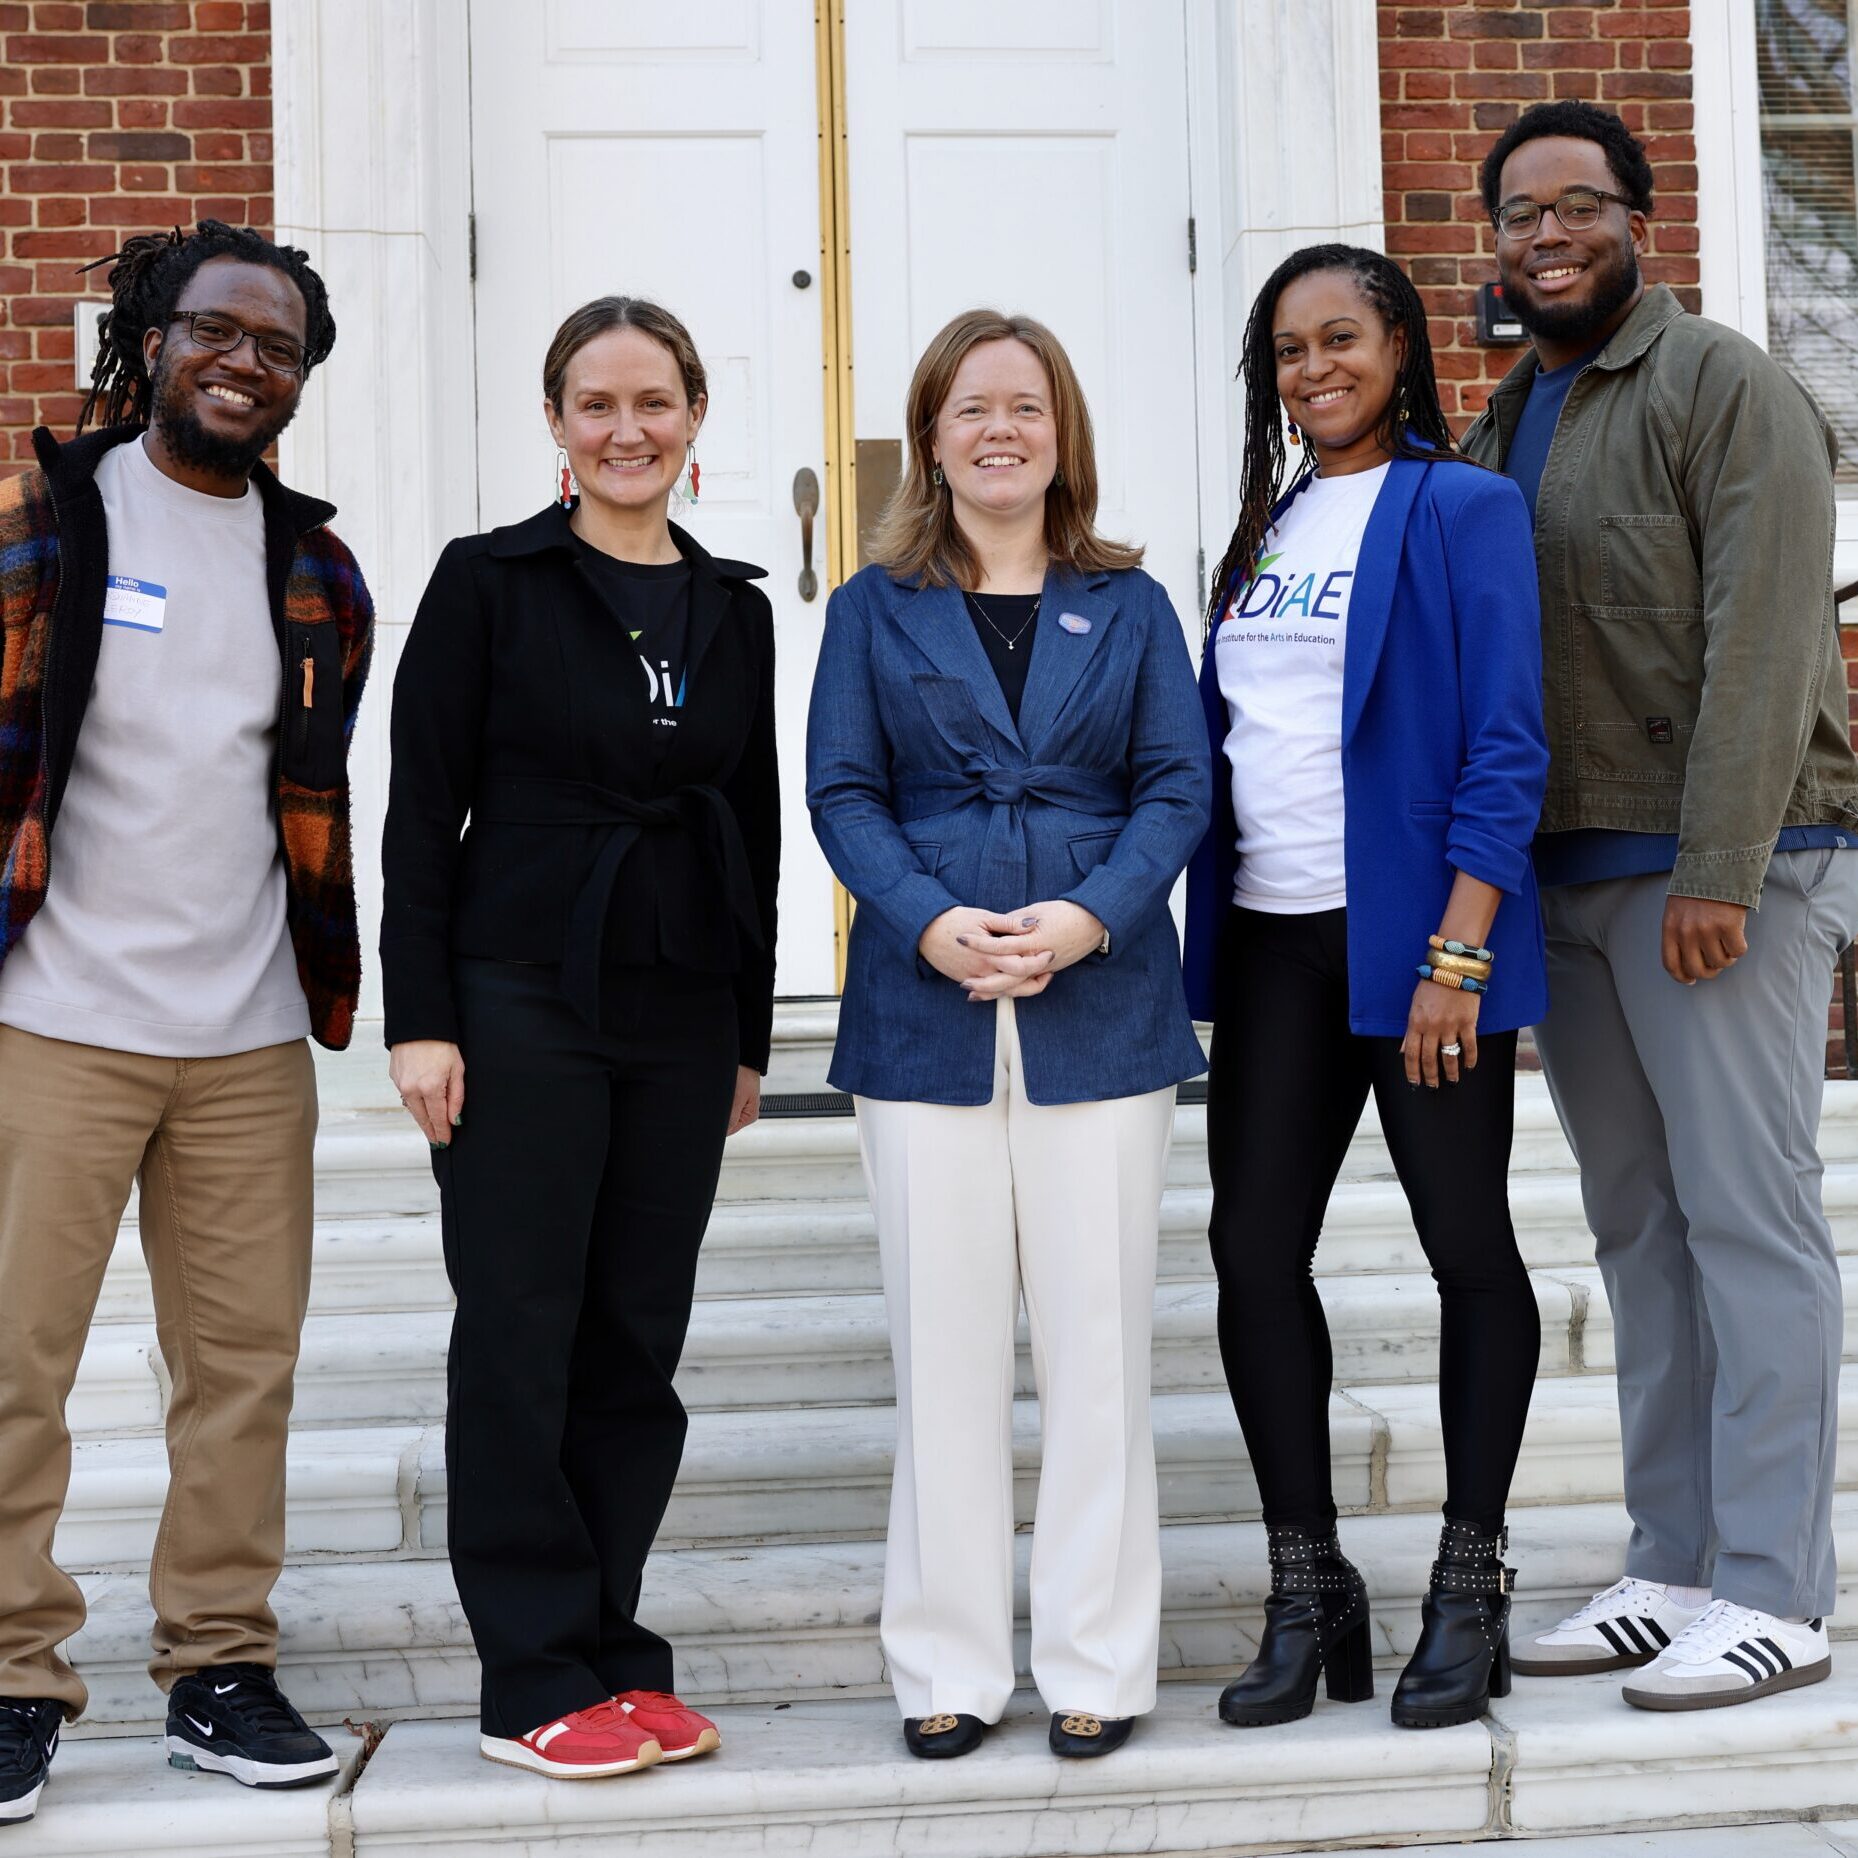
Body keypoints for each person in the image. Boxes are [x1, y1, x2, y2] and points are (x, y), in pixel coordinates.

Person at [1463, 100, 1858, 1712]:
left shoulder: (1723, 386)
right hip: (1567, 879)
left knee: (1746, 1218)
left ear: (1640, 218)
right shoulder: (1504, 418)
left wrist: (1717, 868)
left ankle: (1773, 1588)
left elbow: (1768, 640)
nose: (1547, 233)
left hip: (1721, 875)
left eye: (1578, 203)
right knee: (1637, 1225)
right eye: (1519, 213)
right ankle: (1673, 1561)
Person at [0, 222, 374, 1825]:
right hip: (56, 1016)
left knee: (240, 1370)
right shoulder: (45, 518)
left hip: (246, 1034)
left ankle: (218, 1663)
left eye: (277, 347)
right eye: (217, 330)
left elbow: (307, 797)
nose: (243, 363)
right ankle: (12, 1672)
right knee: (14, 1362)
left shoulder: (319, 571)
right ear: (152, 339)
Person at [381, 296, 778, 1780]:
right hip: (518, 996)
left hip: (680, 1011)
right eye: (595, 404)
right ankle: (530, 1676)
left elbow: (753, 827)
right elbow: (420, 813)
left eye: (653, 402)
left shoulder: (734, 605)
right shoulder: (488, 582)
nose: (627, 430)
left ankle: (611, 1646)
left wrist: (747, 1037)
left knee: (633, 1341)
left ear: (694, 418)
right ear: (554, 421)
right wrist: (421, 1020)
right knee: (520, 1330)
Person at [807, 309, 1209, 1763]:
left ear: (1061, 434)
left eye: (1025, 406)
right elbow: (843, 791)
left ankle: (1098, 1658)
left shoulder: (1133, 604)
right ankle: (949, 1664)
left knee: (1097, 1349)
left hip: (1102, 1008)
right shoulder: (870, 607)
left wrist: (1091, 916)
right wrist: (924, 920)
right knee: (946, 1350)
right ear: (931, 435)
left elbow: (1177, 787)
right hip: (923, 1014)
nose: (999, 429)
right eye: (970, 406)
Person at [1182, 244, 1549, 1732]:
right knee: (1252, 1254)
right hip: (1271, 940)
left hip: (1417, 950)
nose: (1314, 368)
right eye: (1288, 350)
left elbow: (1506, 742)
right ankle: (1308, 1582)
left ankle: (1470, 1580)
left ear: (1400, 345)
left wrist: (1458, 955)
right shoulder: (1263, 528)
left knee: (1469, 1250)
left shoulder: (1463, 506)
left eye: (1341, 337)